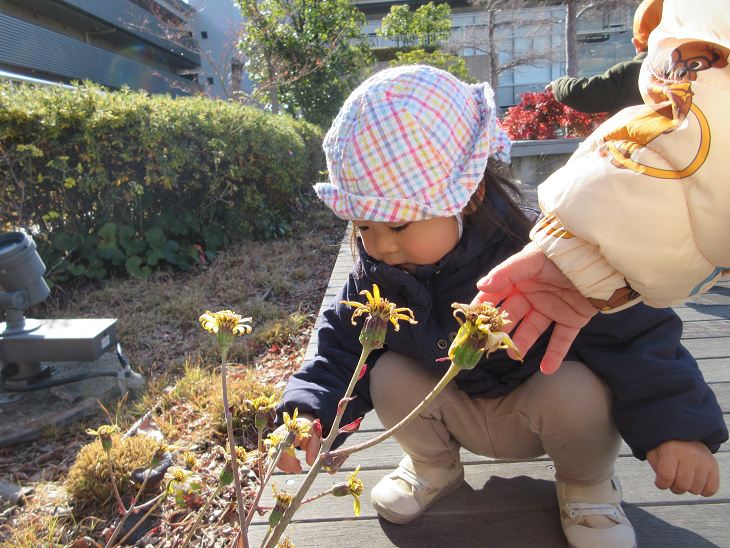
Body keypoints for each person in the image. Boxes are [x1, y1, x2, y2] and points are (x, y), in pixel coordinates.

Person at [274, 65, 727, 548]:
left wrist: (677, 428)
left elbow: (638, 332)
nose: (380, 245)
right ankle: (433, 466)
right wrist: (308, 411)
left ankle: (587, 484)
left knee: (578, 390)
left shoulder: (546, 253)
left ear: (470, 196)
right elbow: (338, 352)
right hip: (449, 410)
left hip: (538, 409)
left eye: (400, 225)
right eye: (364, 226)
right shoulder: (377, 274)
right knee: (385, 372)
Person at [474, 0, 730, 373]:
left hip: (631, 184)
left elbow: (586, 93)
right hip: (643, 194)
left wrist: (557, 85)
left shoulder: (637, 69)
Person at [546, 0, 664, 116]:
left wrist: (558, 84)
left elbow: (583, 95)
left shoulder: (629, 73)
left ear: (636, 43)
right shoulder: (680, 70)